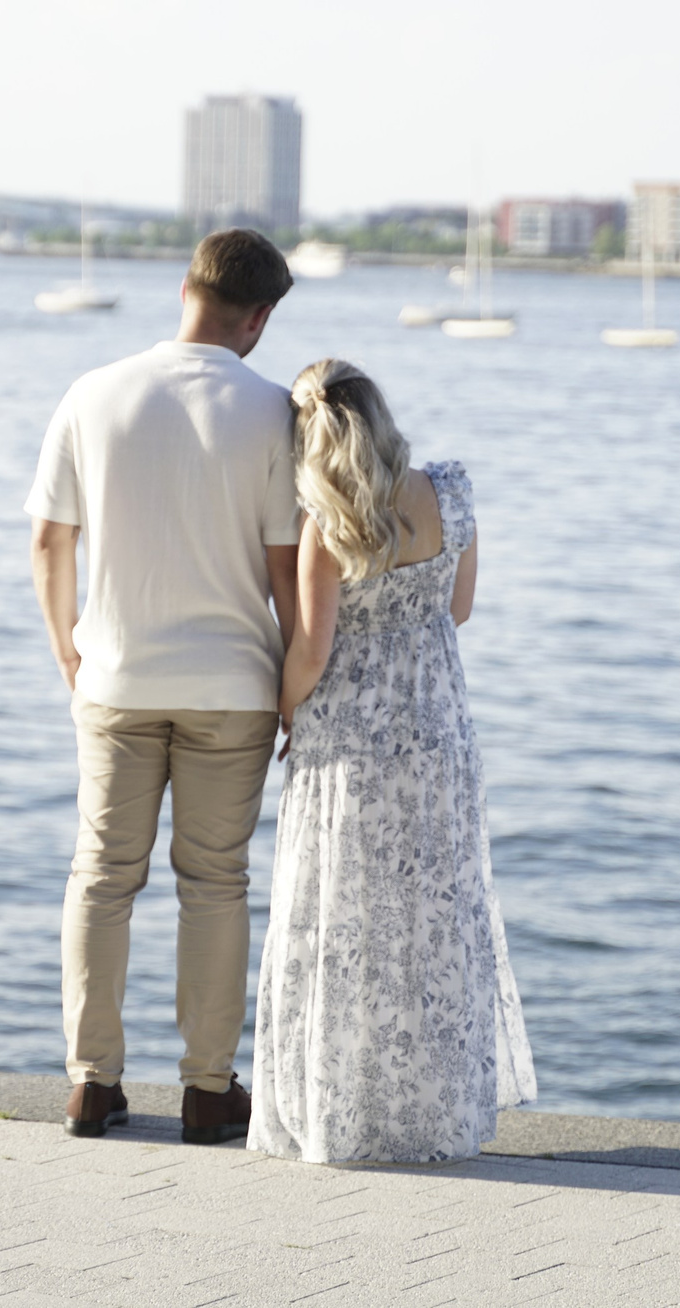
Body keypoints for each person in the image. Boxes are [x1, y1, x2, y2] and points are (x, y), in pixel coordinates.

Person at [25, 228, 299, 1146]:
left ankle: (90, 1084)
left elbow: (48, 540)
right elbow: (285, 568)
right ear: (259, 318)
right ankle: (206, 1089)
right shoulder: (273, 412)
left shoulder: (92, 392)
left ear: (183, 286)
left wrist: (69, 652)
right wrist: (300, 681)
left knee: (102, 876)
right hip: (233, 686)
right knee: (215, 883)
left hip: (116, 676)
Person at [248, 359, 534, 1164]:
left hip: (347, 745)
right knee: (431, 920)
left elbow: (312, 648)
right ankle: (432, 1116)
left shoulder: (326, 523)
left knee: (343, 922)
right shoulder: (450, 492)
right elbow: (460, 607)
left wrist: (284, 713)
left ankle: (346, 1114)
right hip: (435, 730)